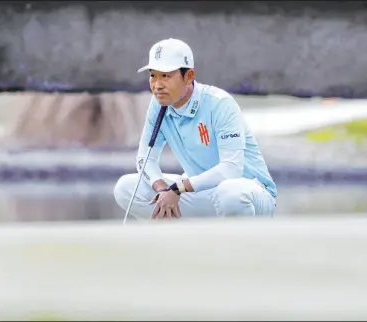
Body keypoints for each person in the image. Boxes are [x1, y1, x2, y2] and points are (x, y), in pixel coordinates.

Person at [114, 38, 277, 220]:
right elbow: (145, 158)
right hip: (199, 193)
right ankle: (181, 239)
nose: (157, 85)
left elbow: (231, 169)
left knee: (230, 193)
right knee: (125, 187)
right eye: (153, 75)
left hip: (251, 191)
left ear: (189, 76)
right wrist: (162, 189)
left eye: (165, 76)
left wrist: (178, 188)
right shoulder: (158, 104)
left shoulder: (220, 103)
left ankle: (237, 245)